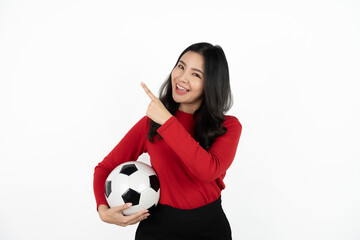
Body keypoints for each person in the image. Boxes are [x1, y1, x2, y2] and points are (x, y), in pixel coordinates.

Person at [93, 42, 242, 240]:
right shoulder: (151, 123)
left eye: (196, 74)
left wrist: (168, 122)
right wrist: (102, 209)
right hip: (159, 228)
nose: (181, 78)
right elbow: (105, 167)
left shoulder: (228, 126)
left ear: (212, 83)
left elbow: (207, 170)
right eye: (181, 66)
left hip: (210, 228)